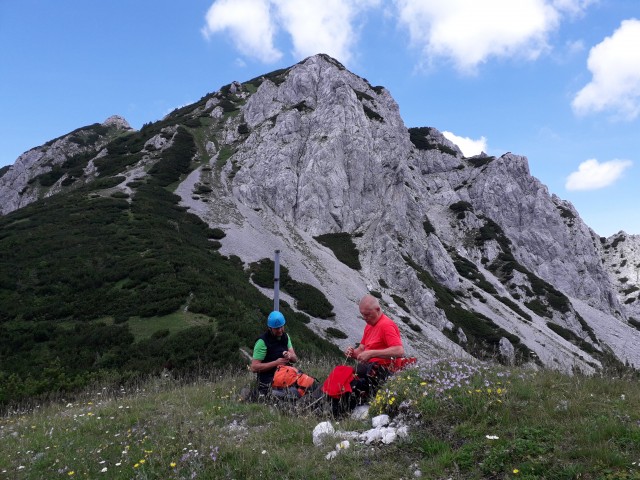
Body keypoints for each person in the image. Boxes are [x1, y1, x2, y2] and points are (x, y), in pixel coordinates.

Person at [344, 294, 405, 401]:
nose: (365, 318)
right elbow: (361, 350)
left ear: (377, 309)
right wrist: (352, 353)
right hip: (369, 368)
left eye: (367, 314)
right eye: (362, 315)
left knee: (349, 379)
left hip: (384, 372)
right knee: (343, 375)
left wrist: (372, 353)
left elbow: (399, 351)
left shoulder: (386, 325)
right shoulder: (369, 325)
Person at [250, 310, 298, 395]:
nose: (280, 330)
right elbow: (254, 367)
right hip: (269, 379)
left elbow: (295, 359)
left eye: (281, 327)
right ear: (270, 328)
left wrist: (290, 356)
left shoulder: (286, 337)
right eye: (276, 328)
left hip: (286, 373)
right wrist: (276, 363)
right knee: (291, 393)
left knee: (304, 381)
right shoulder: (262, 342)